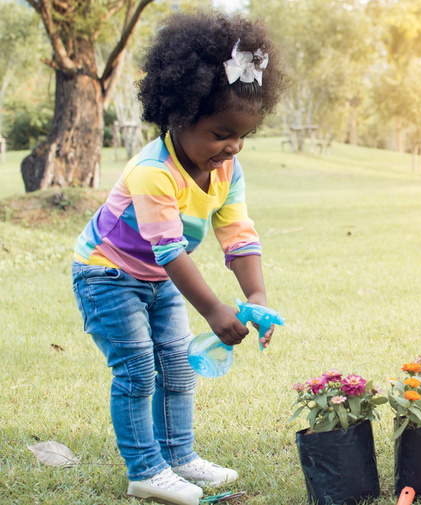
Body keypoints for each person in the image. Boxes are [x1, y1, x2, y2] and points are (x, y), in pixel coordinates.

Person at [71, 10, 287, 505]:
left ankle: (179, 455)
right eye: (220, 133)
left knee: (177, 364)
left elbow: (236, 231)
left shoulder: (227, 168)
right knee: (138, 369)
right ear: (180, 115)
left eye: (242, 136)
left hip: (154, 276)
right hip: (106, 273)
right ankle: (145, 470)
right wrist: (214, 311)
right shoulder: (154, 171)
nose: (232, 146)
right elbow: (169, 251)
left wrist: (254, 294)